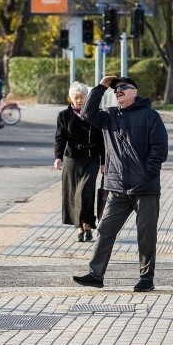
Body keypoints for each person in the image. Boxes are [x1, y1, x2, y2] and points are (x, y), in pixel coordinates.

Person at [72, 75, 168, 292]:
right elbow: (86, 113)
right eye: (115, 89)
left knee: (146, 234)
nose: (118, 91)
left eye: (123, 87)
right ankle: (96, 274)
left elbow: (160, 147)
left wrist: (147, 173)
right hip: (117, 187)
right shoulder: (109, 116)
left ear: (135, 92)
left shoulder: (150, 116)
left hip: (145, 188)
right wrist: (101, 87)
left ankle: (146, 278)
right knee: (105, 230)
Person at [54, 82, 105, 242]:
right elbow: (60, 138)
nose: (79, 100)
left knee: (86, 193)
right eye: (76, 97)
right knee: (73, 195)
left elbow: (102, 140)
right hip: (72, 160)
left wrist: (104, 162)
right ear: (71, 98)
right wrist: (58, 157)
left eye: (82, 97)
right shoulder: (64, 116)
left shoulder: (95, 114)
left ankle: (88, 224)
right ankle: (80, 228)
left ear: (86, 98)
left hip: (91, 158)